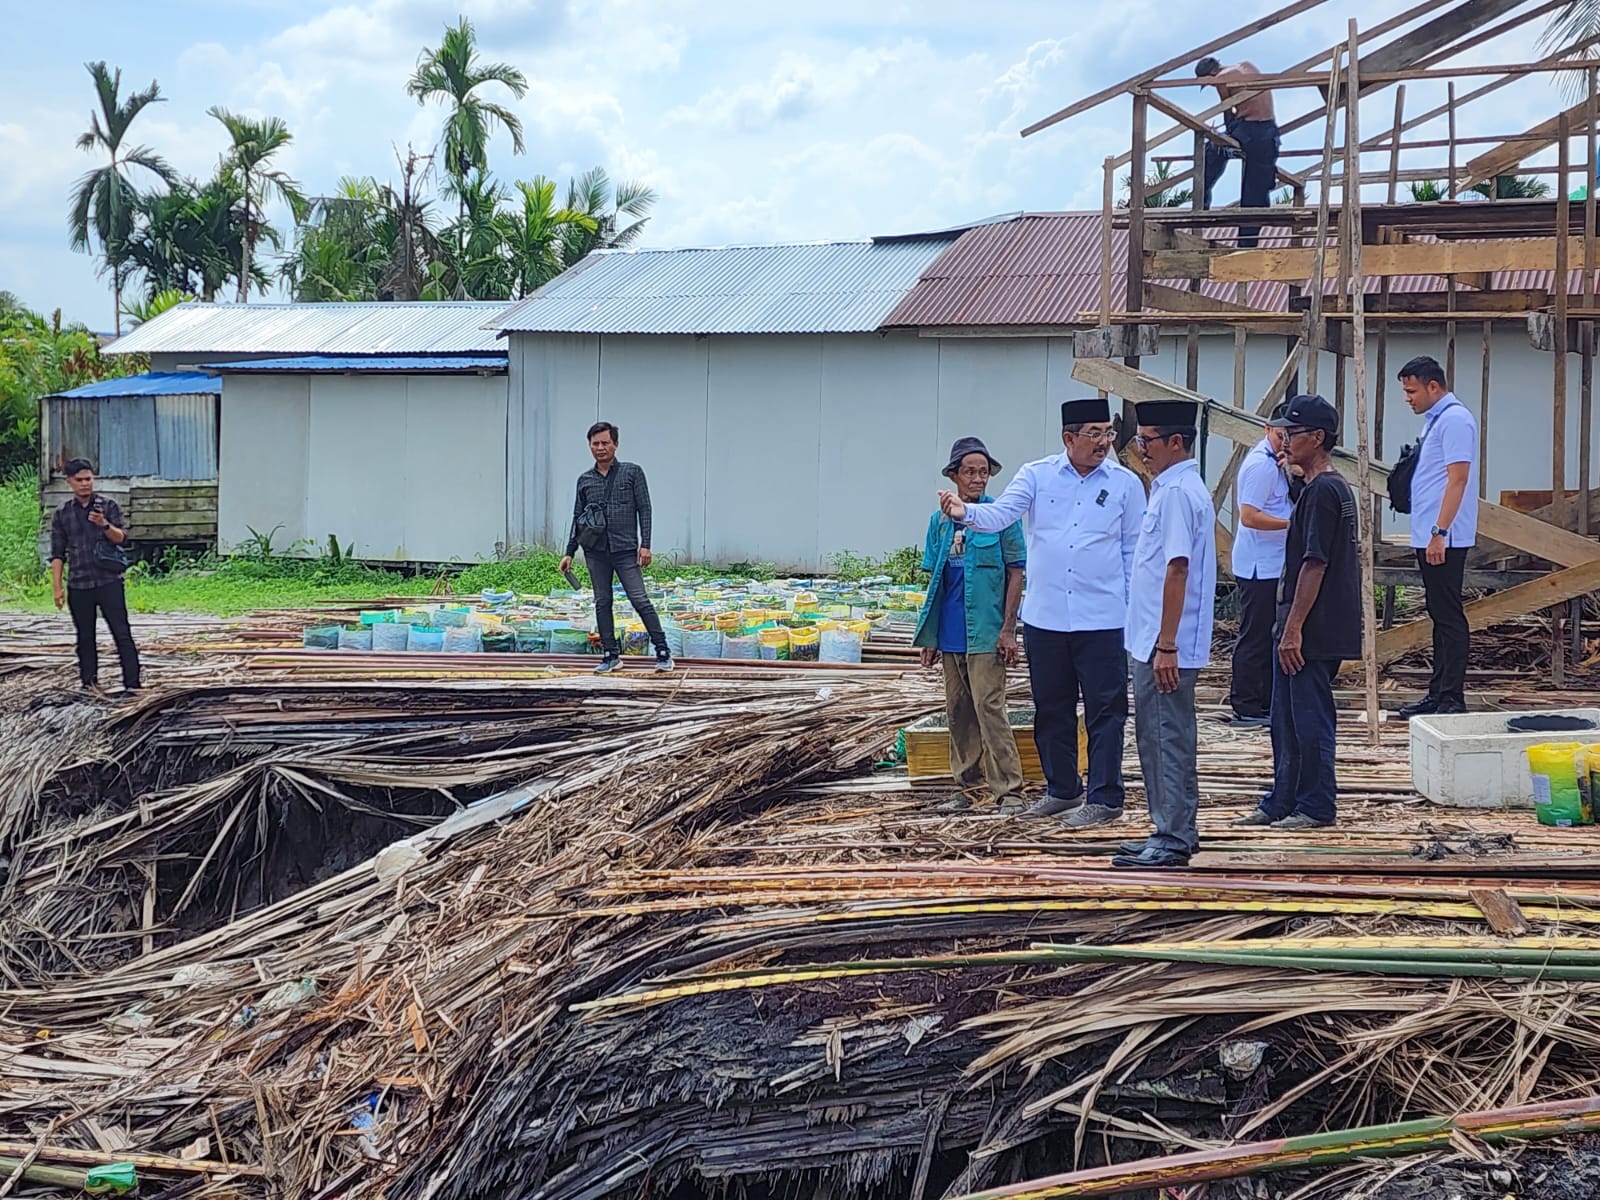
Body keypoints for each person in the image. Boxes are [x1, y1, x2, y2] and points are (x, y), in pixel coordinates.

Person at [940, 399, 1144, 830]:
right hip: (1047, 618)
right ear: (1068, 438)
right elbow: (1002, 514)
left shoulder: (1125, 485)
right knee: (1052, 708)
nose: (1104, 443)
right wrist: (966, 512)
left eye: (1108, 433)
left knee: (1106, 711)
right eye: (1095, 434)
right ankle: (1062, 790)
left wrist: (1132, 610)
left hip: (1103, 619)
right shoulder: (1038, 474)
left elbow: (1133, 552)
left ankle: (1104, 797)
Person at [1237, 395, 1362, 831]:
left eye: (1292, 434)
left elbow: (1315, 563)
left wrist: (1293, 630)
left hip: (1314, 629)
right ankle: (1281, 800)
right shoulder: (1317, 487)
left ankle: (1315, 805)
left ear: (1318, 438)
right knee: (1285, 720)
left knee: (1309, 720)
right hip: (1304, 625)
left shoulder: (1325, 491)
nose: (1284, 441)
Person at [1113, 400, 1217, 870]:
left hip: (1164, 641)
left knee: (1164, 735)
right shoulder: (1172, 487)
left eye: (1147, 441)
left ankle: (1173, 834)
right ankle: (1174, 826)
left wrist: (1167, 644)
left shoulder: (1176, 493)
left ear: (1176, 442)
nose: (1141, 450)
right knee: (1163, 734)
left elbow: (1177, 568)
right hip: (1155, 637)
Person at [914, 438, 1028, 813]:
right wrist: (929, 635)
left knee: (989, 707)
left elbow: (1015, 573)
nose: (978, 479)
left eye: (983, 472)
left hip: (986, 631)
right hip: (950, 631)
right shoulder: (939, 521)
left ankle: (1009, 791)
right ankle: (967, 786)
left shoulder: (1001, 517)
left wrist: (1008, 629)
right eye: (970, 472)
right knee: (958, 710)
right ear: (954, 476)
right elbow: (934, 579)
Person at [1395, 356, 1478, 718]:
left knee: (1448, 615)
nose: (1408, 398)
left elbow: (1457, 479)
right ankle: (1437, 692)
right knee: (1438, 612)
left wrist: (1439, 532)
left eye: (1412, 391)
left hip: (1444, 536)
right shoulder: (1437, 421)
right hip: (1431, 532)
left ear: (1433, 386)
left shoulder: (1456, 420)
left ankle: (1451, 697)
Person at [560, 422, 674, 673]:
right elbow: (577, 517)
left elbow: (644, 508)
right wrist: (569, 551)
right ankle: (610, 655)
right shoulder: (585, 480)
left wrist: (646, 545)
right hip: (595, 552)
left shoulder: (632, 473)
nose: (600, 448)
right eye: (595, 444)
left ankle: (663, 650)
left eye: (605, 443)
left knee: (639, 599)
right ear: (589, 446)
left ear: (615, 444)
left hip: (625, 549)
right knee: (602, 601)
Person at [50, 458, 141, 695]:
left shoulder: (107, 506)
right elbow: (58, 553)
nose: (84, 484)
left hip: (108, 580)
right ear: (69, 482)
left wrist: (104, 524)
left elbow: (121, 538)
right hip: (79, 583)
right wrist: (57, 587)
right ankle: (89, 684)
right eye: (79, 480)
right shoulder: (62, 514)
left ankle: (133, 685)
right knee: (85, 637)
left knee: (121, 633)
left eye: (88, 479)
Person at [1227, 405, 1293, 727]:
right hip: (1258, 566)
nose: (1285, 442)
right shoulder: (1260, 466)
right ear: (1268, 429)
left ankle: (1263, 701)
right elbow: (1250, 516)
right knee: (1255, 634)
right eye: (1282, 436)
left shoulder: (1278, 463)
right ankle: (1246, 704)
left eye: (1290, 437)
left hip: (1272, 563)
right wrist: (1290, 525)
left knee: (1268, 634)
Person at [1195, 57, 1280, 248]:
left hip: (1249, 130)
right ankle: (1247, 242)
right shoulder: (1248, 65)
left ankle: (1201, 205)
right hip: (1269, 133)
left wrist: (1227, 135)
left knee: (1213, 150)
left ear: (1209, 76)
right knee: (1256, 188)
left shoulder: (1220, 78)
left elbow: (1227, 110)